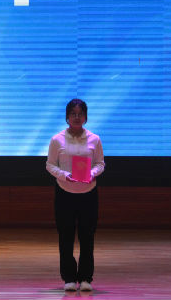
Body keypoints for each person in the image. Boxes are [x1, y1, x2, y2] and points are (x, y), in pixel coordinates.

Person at [46, 98, 105, 292]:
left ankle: (86, 277)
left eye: (80, 114)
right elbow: (50, 165)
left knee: (87, 236)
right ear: (67, 117)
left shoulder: (95, 139)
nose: (77, 117)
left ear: (86, 117)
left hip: (88, 193)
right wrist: (64, 175)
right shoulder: (57, 139)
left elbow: (100, 164)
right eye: (73, 114)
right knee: (66, 236)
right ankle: (69, 278)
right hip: (65, 193)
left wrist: (92, 173)